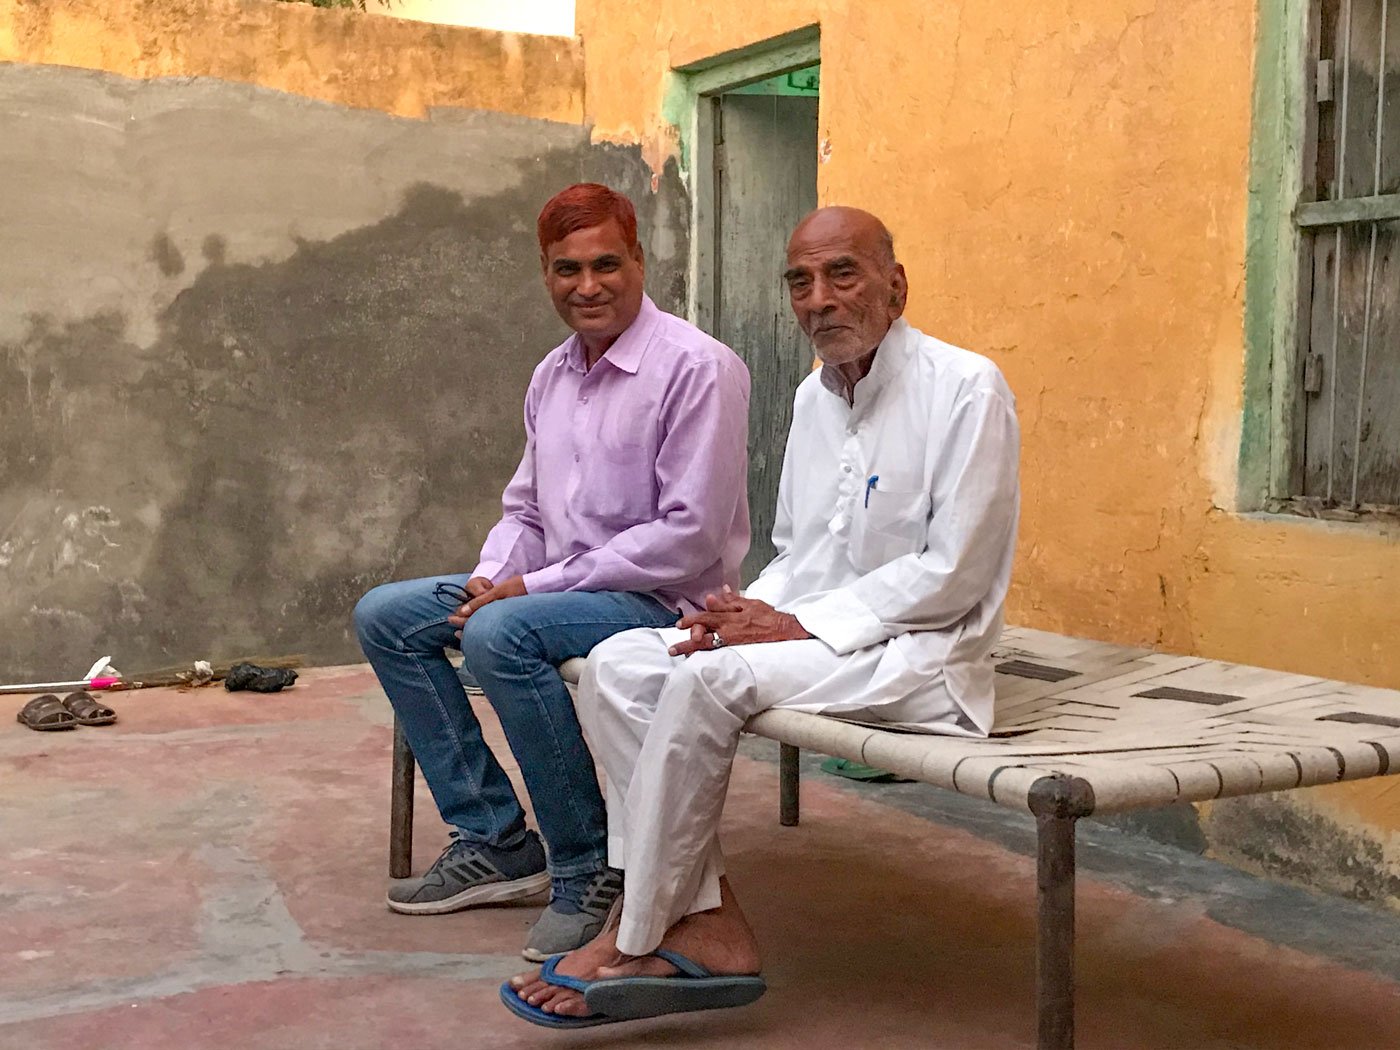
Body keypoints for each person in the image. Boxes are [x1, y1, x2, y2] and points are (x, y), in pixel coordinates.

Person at [503, 205, 1020, 1026]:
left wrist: (796, 626)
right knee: (621, 665)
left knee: (711, 683)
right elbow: (800, 549)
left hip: (920, 651)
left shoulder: (965, 387)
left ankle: (636, 932)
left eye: (842, 273)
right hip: (820, 637)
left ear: (896, 285)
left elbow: (957, 572)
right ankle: (707, 921)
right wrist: (741, 610)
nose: (819, 298)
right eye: (800, 281)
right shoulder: (817, 397)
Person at [354, 183, 750, 962]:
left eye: (607, 264)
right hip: (552, 593)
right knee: (388, 615)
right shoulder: (553, 376)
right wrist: (491, 574)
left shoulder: (698, 368)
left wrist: (527, 591)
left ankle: (589, 867)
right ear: (546, 274)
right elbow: (528, 509)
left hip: (664, 601)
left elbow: (688, 534)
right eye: (567, 270)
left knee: (505, 632)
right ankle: (496, 839)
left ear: (640, 260)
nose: (588, 286)